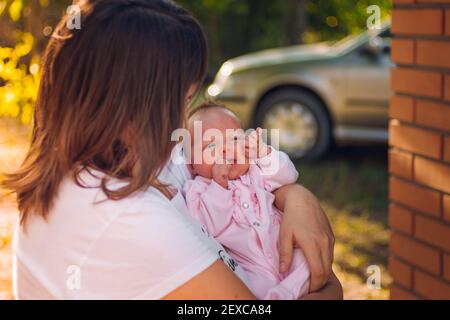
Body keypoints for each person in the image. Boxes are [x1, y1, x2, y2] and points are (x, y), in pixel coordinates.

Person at [2, 0, 342, 299]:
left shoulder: (123, 165)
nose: (184, 117)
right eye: (180, 100)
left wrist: (298, 199)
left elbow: (259, 180)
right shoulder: (124, 217)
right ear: (132, 108)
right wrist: (330, 292)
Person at [184, 102, 310, 299]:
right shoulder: (197, 190)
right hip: (248, 267)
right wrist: (219, 185)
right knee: (248, 288)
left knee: (307, 261)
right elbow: (209, 226)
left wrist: (264, 153)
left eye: (234, 139)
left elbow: (288, 175)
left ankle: (287, 292)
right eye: (211, 145)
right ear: (191, 165)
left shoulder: (255, 170)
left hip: (283, 251)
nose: (225, 149)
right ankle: (280, 295)